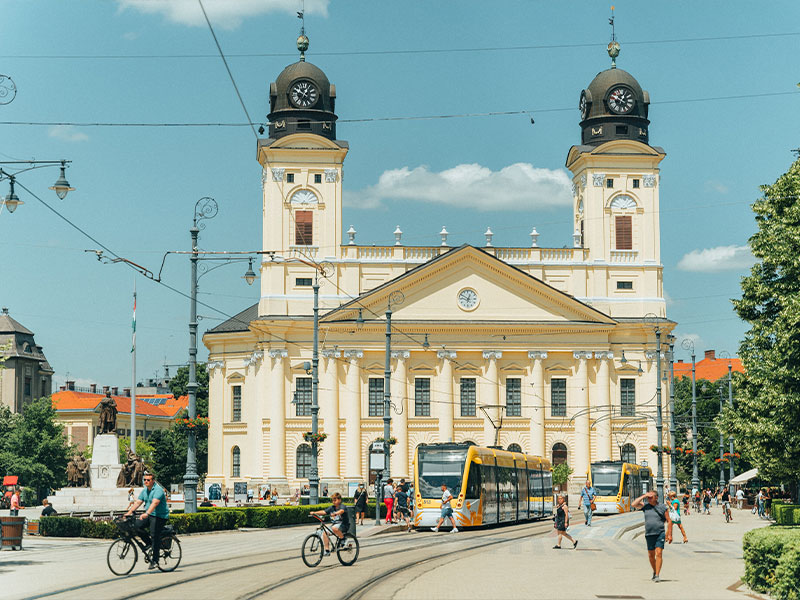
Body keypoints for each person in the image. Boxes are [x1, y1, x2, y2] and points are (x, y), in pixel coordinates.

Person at [124, 471, 170, 570]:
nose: (146, 481)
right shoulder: (145, 490)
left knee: (154, 535)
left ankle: (155, 561)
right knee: (136, 525)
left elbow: (155, 503)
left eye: (148, 480)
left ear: (153, 481)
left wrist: (147, 513)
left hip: (160, 516)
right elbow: (138, 502)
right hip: (150, 514)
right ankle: (149, 543)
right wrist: (129, 512)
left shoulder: (158, 490)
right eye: (144, 480)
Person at [632, 490, 672, 583]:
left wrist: (669, 534)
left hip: (660, 533)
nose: (649, 499)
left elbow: (669, 520)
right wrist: (644, 495)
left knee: (659, 553)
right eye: (648, 497)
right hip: (649, 533)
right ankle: (654, 571)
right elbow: (634, 504)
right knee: (651, 555)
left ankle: (657, 575)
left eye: (651, 497)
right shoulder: (645, 506)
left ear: (656, 497)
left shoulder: (662, 507)